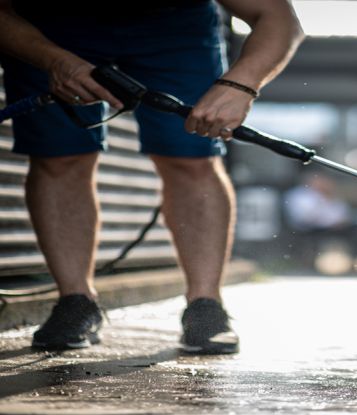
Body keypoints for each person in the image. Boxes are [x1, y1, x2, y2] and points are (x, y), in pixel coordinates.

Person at [0, 0, 304, 354]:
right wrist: (54, 60)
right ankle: (75, 301)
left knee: (192, 158)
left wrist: (241, 85)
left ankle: (206, 306)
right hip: (48, 27)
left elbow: (279, 18)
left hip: (175, 28)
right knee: (59, 156)